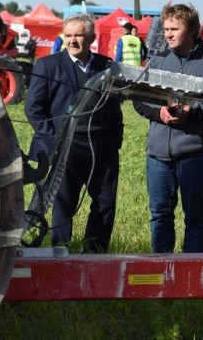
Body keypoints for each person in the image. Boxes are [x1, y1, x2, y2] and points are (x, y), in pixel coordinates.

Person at [133, 3, 203, 253]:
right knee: (159, 214)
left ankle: (192, 273)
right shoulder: (157, 62)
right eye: (166, 29)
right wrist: (158, 112)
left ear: (191, 30)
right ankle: (162, 268)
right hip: (158, 154)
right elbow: (139, 98)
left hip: (194, 153)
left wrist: (196, 112)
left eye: (174, 29)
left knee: (195, 217)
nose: (168, 34)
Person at [25, 14, 124, 253]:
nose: (72, 41)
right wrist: (54, 142)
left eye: (78, 35)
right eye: (68, 36)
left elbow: (114, 108)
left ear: (90, 37)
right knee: (64, 203)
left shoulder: (106, 66)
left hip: (101, 147)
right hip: (65, 148)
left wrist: (114, 142)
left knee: (104, 203)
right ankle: (62, 253)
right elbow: (33, 109)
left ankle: (95, 253)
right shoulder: (47, 65)